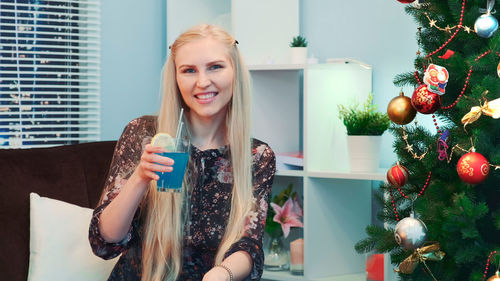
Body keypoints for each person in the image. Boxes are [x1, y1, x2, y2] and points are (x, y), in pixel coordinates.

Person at [89, 24, 276, 281]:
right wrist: (141, 178)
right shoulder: (144, 133)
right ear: (176, 78)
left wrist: (221, 274)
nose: (202, 82)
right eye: (189, 70)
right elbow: (106, 241)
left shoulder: (257, 155)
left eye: (215, 67)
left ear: (235, 73)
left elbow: (249, 245)